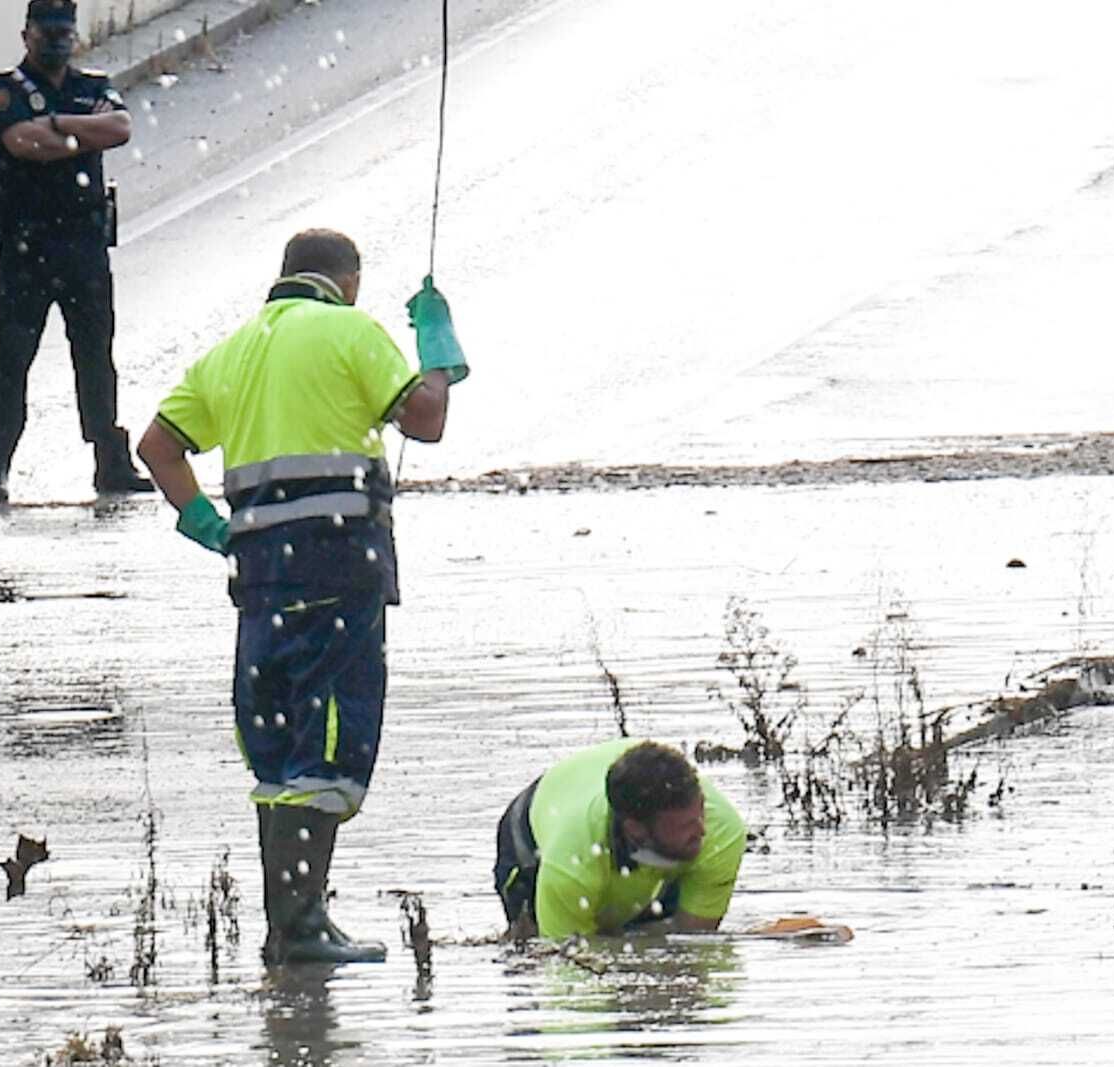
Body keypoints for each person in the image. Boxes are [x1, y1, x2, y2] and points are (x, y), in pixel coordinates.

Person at [137, 227, 468, 965]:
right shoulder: (350, 330)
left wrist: (208, 524)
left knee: (280, 748)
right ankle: (300, 926)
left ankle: (290, 921)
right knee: (327, 747)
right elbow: (426, 419)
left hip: (261, 580)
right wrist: (439, 354)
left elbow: (157, 445)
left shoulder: (233, 350)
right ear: (348, 282)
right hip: (337, 570)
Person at [0, 0, 152, 503]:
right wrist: (77, 132)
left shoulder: (92, 84)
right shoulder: (3, 91)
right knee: (13, 355)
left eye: (64, 32)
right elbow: (23, 144)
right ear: (26, 35)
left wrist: (56, 127)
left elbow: (120, 128)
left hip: (84, 242)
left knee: (95, 354)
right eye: (46, 31)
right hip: (27, 245)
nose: (56, 40)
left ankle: (110, 461)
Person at [494, 739, 748, 940]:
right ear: (636, 830)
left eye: (701, 812)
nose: (702, 830)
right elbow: (565, 973)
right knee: (534, 951)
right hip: (534, 836)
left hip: (637, 831)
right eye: (683, 825)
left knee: (662, 947)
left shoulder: (722, 832)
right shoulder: (570, 864)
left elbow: (695, 944)